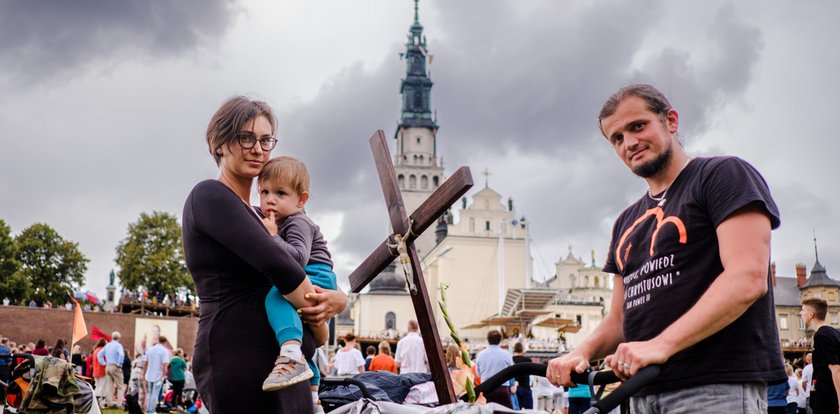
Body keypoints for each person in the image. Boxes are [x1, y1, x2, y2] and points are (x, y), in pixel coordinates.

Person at [547, 83, 785, 412]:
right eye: (617, 138)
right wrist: (582, 352)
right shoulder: (625, 221)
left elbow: (747, 276)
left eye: (638, 126)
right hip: (640, 391)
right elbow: (619, 319)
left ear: (670, 121)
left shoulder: (721, 175)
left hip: (714, 386)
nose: (629, 143)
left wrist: (661, 345)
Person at [182, 95, 348, 413]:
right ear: (219, 143)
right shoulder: (210, 196)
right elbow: (282, 266)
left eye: (265, 139)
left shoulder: (267, 216)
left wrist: (340, 298)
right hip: (237, 355)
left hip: (285, 363)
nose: (258, 149)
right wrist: (332, 302)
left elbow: (308, 259)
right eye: (246, 138)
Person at [256, 156, 337, 401]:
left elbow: (298, 259)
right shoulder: (281, 219)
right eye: (264, 192)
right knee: (300, 327)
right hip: (312, 275)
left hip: (316, 274)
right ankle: (313, 396)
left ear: (301, 200)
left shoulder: (298, 221)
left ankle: (290, 353)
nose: (270, 199)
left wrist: (272, 237)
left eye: (280, 193)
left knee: (276, 296)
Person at [801, 297, 840, 413]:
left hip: (827, 400)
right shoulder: (834, 333)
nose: (801, 313)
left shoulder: (821, 336)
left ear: (811, 314)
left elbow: (836, 368)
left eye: (803, 310)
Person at [475, 330, 513, 408]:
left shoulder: (480, 355)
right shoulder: (506, 354)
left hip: (486, 388)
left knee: (487, 411)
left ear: (488, 340)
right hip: (502, 388)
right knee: (506, 411)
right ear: (500, 340)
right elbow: (511, 372)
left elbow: (478, 373)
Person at [143, 336, 171, 414]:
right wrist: (163, 376)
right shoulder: (164, 351)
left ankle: (148, 409)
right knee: (155, 394)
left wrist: (143, 373)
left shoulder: (150, 349)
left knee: (149, 393)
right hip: (158, 375)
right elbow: (165, 365)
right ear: (165, 342)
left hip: (149, 374)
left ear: (158, 340)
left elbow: (145, 363)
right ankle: (151, 411)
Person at [99, 331, 126, 409]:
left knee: (109, 386)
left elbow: (99, 355)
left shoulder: (107, 345)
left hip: (108, 366)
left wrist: (104, 363)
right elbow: (121, 354)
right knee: (120, 386)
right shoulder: (118, 345)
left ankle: (109, 403)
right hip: (115, 366)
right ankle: (119, 404)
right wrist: (119, 363)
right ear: (119, 338)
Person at [512, 342, 534, 409]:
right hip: (525, 387)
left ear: (514, 350)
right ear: (522, 350)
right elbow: (531, 373)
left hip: (514, 388)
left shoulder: (511, 360)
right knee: (529, 410)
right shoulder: (528, 360)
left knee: (516, 410)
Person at [91, 339, 107, 404]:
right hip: (102, 371)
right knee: (102, 387)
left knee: (97, 386)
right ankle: (100, 402)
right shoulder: (103, 350)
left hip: (95, 371)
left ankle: (94, 401)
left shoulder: (95, 350)